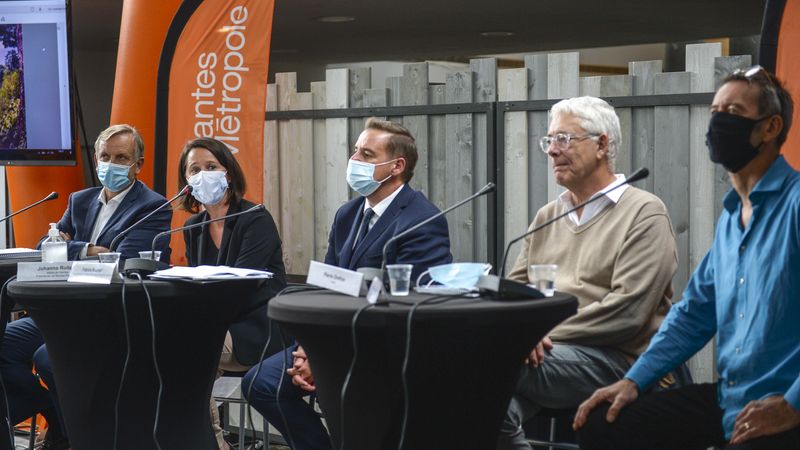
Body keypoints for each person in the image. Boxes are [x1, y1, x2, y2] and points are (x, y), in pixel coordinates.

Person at [572, 67, 800, 450]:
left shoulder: (795, 205)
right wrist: (633, 381)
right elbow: (693, 314)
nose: (718, 122)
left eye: (733, 111)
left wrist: (793, 406)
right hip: (731, 402)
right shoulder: (731, 219)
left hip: (783, 407)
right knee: (602, 424)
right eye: (715, 111)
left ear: (770, 127)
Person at [241, 118, 452, 450]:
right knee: (259, 384)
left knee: (340, 394)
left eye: (367, 154)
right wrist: (308, 347)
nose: (354, 161)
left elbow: (409, 306)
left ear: (397, 166)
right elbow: (327, 285)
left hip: (375, 347)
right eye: (355, 151)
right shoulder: (348, 213)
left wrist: (326, 355)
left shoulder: (422, 220)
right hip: (328, 340)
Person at [497, 96, 678, 449]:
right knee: (482, 406)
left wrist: (535, 333)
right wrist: (520, 332)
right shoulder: (548, 215)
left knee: (486, 360)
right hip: (546, 356)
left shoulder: (644, 213)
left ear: (602, 145)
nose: (552, 151)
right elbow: (514, 292)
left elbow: (626, 312)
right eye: (548, 140)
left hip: (615, 359)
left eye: (564, 139)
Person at [0, 124, 172, 450]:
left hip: (106, 315)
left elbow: (126, 261)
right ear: (95, 159)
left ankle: (81, 437)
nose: (111, 164)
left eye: (121, 157)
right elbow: (43, 248)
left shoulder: (153, 206)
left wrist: (70, 248)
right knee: (5, 345)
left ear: (139, 164)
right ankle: (56, 414)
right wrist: (89, 250)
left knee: (49, 358)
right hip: (61, 309)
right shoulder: (80, 200)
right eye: (105, 156)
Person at [177, 137, 287, 449]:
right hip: (214, 326)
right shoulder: (192, 226)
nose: (203, 174)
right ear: (186, 182)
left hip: (257, 327)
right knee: (166, 349)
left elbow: (240, 288)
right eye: (194, 170)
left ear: (228, 173)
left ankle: (212, 444)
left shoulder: (255, 218)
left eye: (211, 167)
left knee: (186, 350)